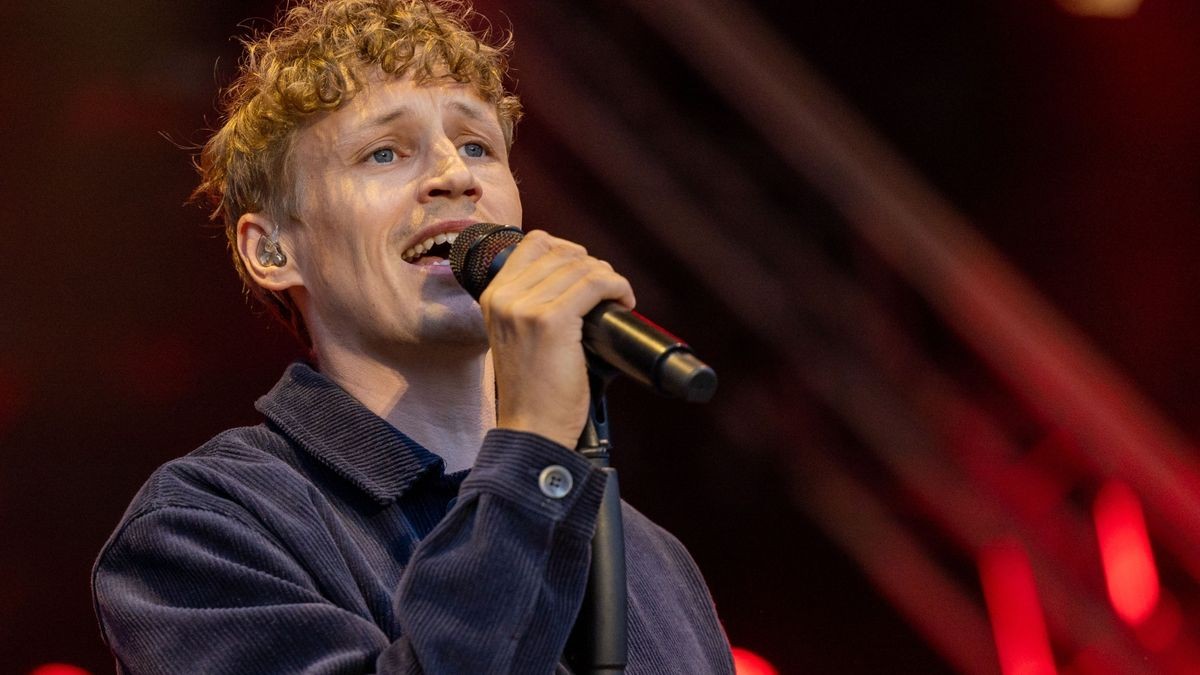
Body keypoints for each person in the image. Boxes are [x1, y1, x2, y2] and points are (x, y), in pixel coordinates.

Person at [92, 0, 734, 672]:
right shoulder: (206, 528)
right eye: (385, 152)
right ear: (274, 250)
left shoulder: (649, 556)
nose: (456, 175)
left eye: (479, 146)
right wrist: (537, 445)